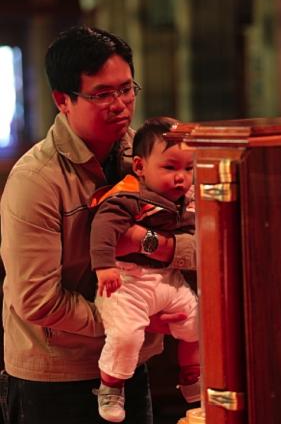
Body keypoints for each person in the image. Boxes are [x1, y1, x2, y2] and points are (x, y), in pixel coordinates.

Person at [0, 25, 196, 424]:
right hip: (57, 376)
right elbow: (37, 300)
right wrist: (133, 318)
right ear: (63, 100)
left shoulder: (146, 159)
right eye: (102, 94)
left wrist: (150, 243)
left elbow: (199, 243)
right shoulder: (36, 180)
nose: (121, 105)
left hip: (131, 361)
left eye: (127, 89)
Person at [90, 117, 200, 422]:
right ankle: (111, 387)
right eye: (170, 168)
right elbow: (103, 228)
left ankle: (193, 377)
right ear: (139, 167)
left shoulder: (186, 201)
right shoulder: (130, 196)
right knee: (126, 334)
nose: (181, 178)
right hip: (127, 279)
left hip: (166, 278)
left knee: (199, 322)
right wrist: (104, 268)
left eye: (188, 169)